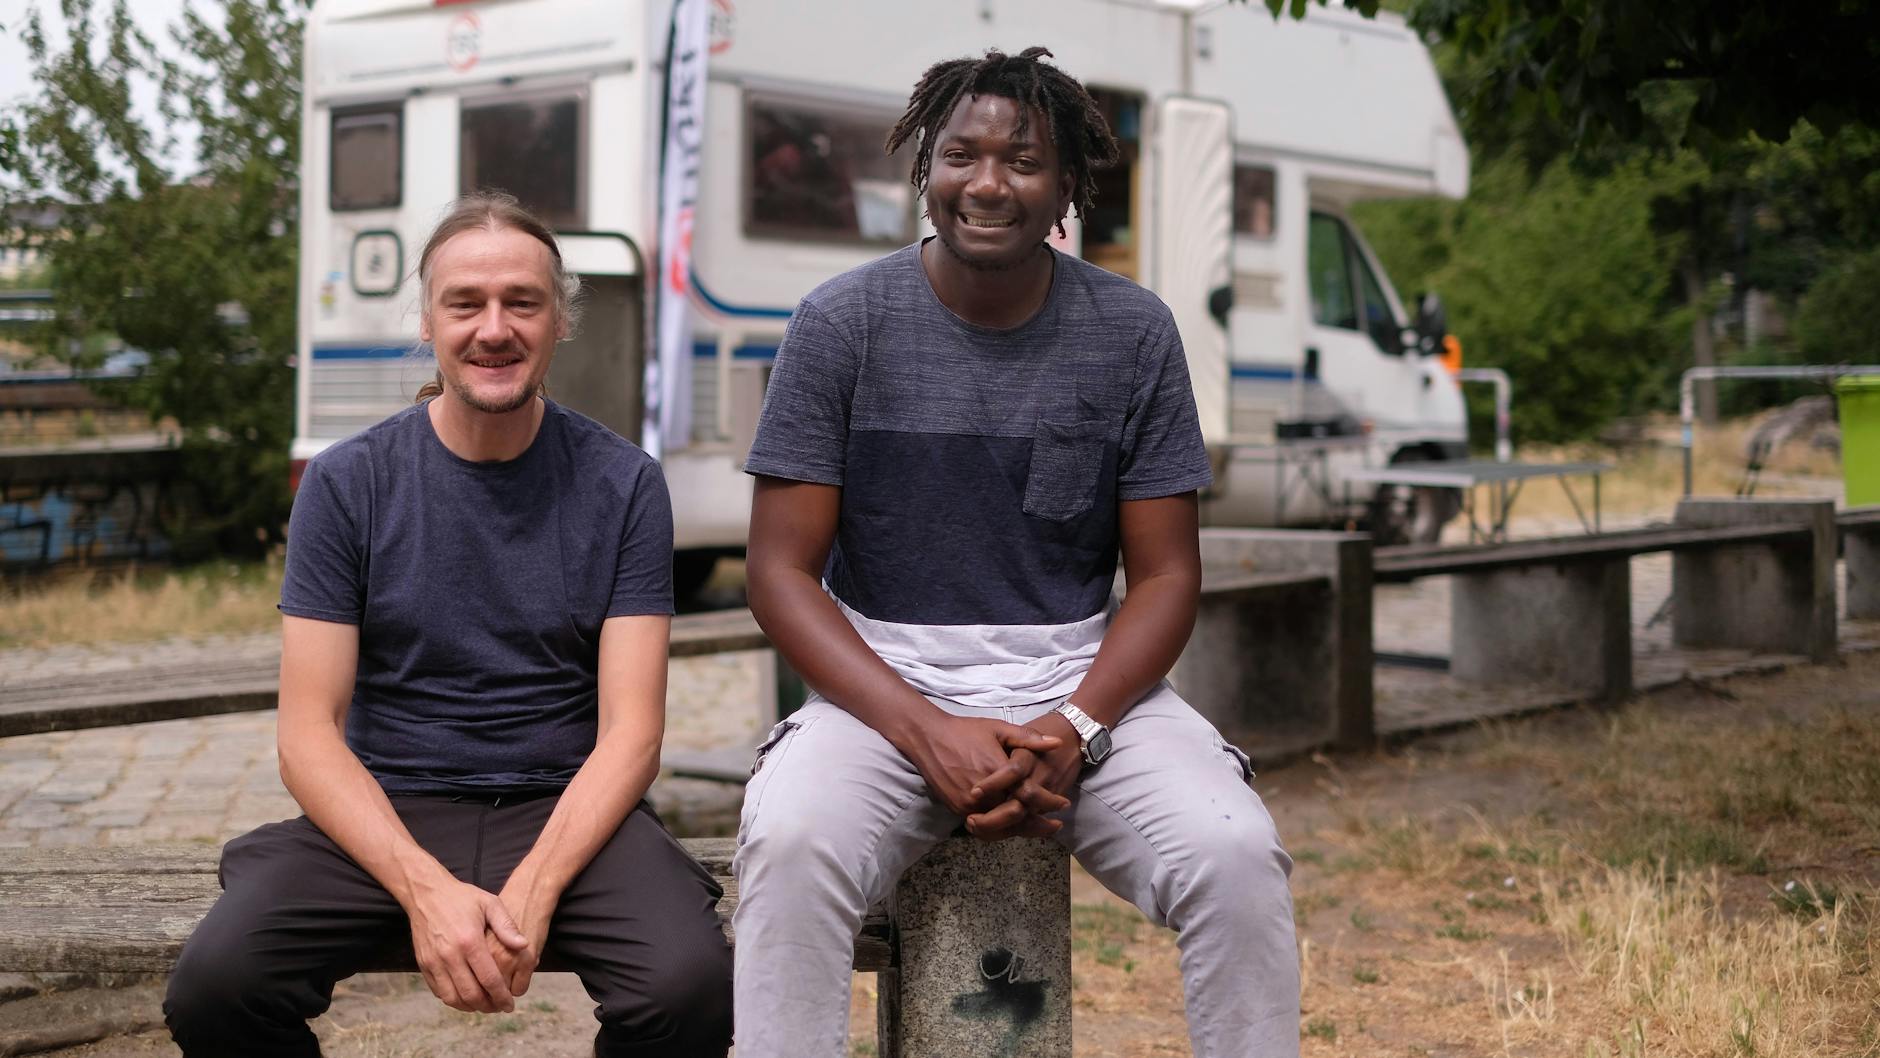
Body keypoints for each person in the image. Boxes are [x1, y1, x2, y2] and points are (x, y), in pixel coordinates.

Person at [733, 47, 1300, 1058]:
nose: (987, 182)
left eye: (1022, 160)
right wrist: (923, 729)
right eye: (961, 153)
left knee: (1234, 853)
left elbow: (1167, 577)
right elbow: (778, 573)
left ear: (1066, 187)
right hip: (884, 682)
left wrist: (1073, 723)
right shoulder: (839, 325)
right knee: (787, 844)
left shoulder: (1129, 332)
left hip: (1080, 684)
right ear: (924, 167)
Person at [162, 192, 733, 1058]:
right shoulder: (347, 483)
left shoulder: (623, 483)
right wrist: (426, 891)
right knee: (217, 988)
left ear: (558, 322)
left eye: (523, 302)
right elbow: (307, 736)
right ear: (427, 322)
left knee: (689, 988)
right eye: (465, 303)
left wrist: (534, 891)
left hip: (564, 807)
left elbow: (632, 733)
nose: (494, 327)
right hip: (386, 807)